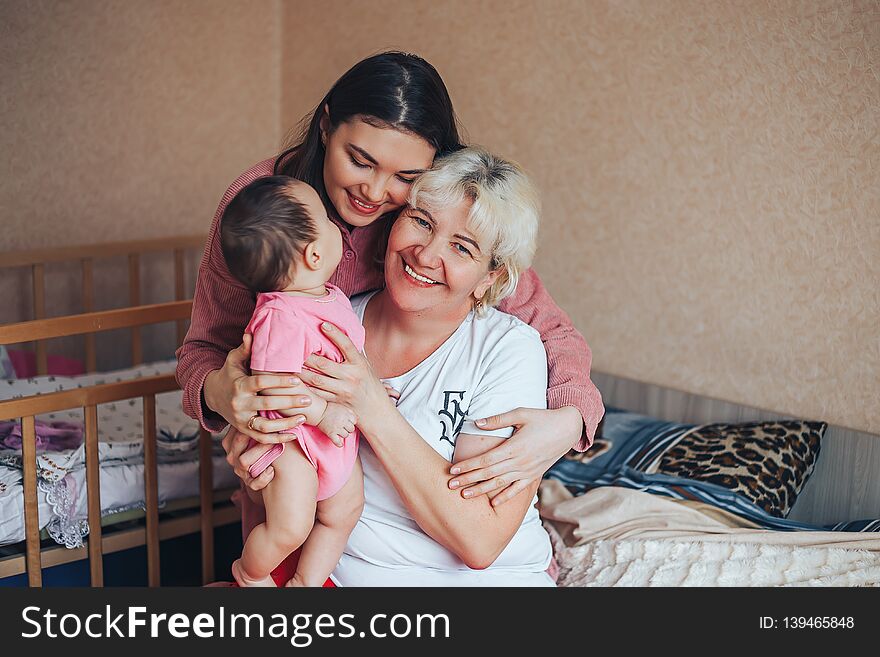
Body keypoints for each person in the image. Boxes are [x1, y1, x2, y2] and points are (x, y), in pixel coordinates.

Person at [176, 52, 603, 584]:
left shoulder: (437, 221)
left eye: (405, 177)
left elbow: (543, 323)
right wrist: (226, 396)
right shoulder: (267, 208)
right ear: (327, 125)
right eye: (360, 160)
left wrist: (571, 419)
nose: (375, 193)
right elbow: (203, 350)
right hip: (290, 482)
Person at [248, 146, 556, 585]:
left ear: (490, 277)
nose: (426, 255)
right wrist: (256, 458)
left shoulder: (508, 350)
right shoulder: (330, 319)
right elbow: (287, 461)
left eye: (462, 247)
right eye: (422, 222)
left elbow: (479, 539)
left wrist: (373, 407)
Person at [218, 176, 365, 587]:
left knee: (345, 509)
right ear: (315, 254)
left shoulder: (328, 296)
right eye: (325, 218)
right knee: (291, 526)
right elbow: (271, 385)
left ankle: (306, 585)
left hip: (327, 430)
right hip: (289, 440)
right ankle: (250, 573)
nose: (338, 225)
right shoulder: (280, 316)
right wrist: (321, 411)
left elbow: (343, 358)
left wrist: (364, 393)